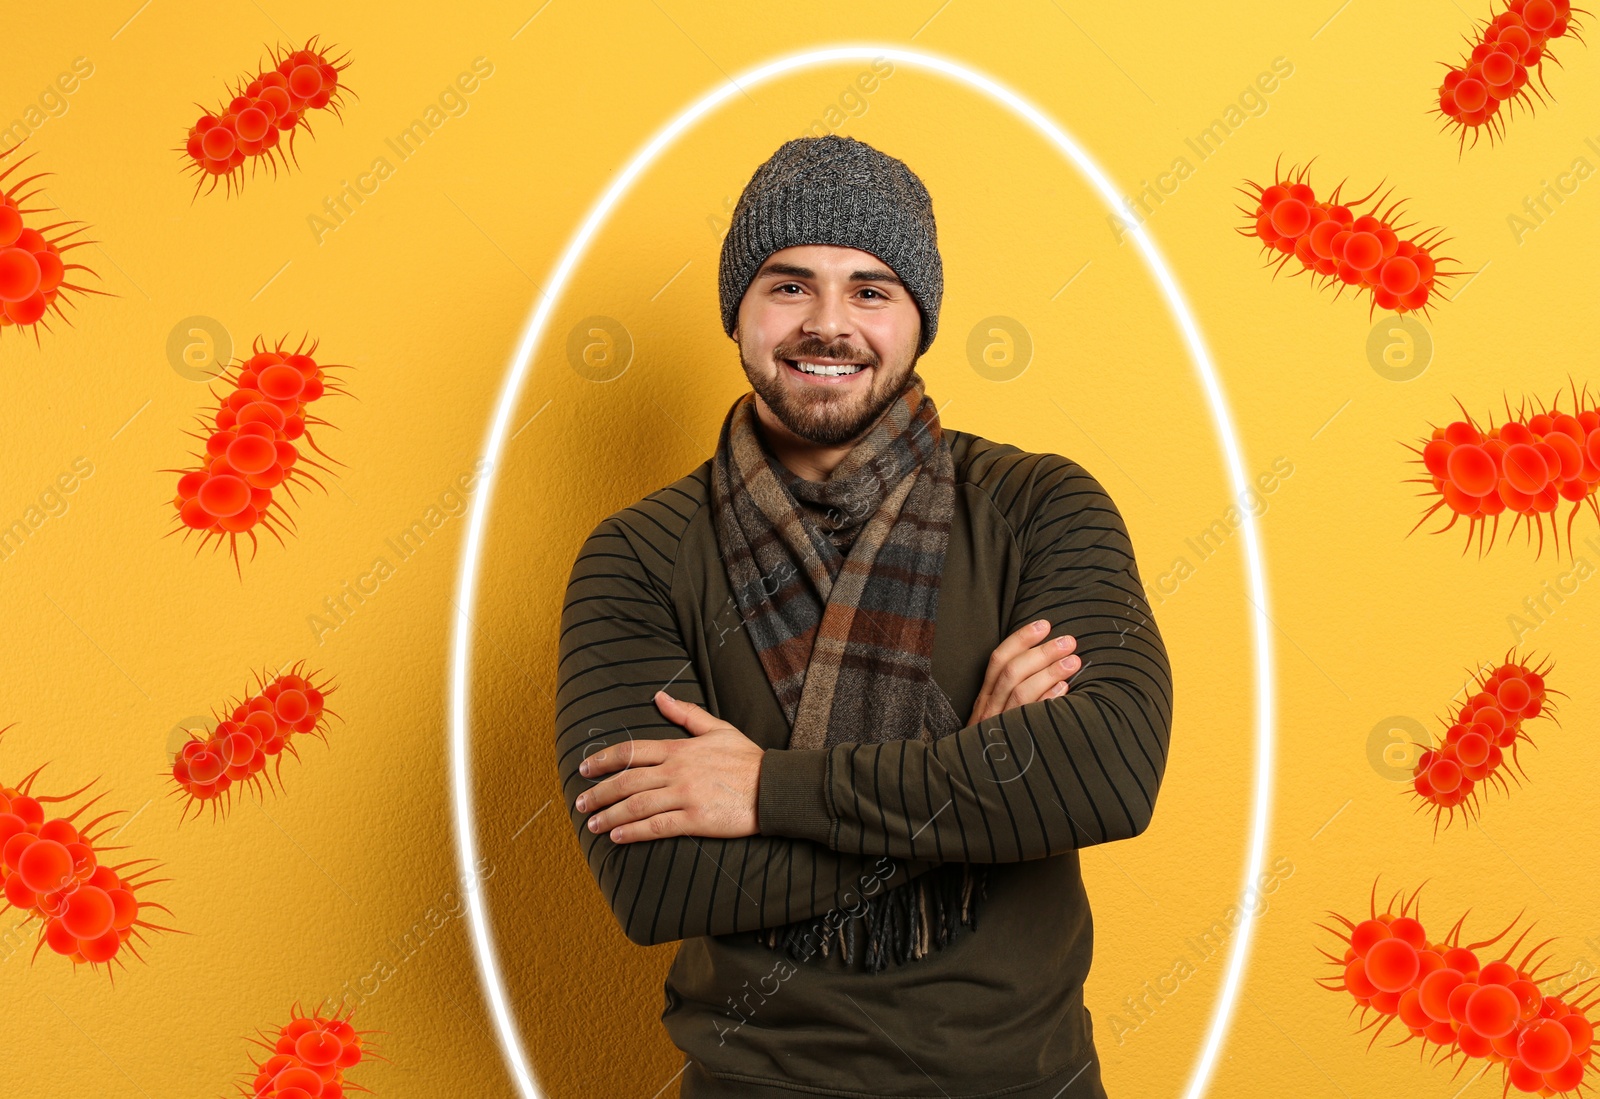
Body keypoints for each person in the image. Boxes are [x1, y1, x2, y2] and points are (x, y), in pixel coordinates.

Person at [556, 133, 1173, 1099]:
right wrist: (977, 783)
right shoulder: (637, 555)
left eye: (871, 290)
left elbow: (1108, 775)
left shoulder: (1040, 505)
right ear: (739, 312)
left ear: (918, 319)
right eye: (789, 285)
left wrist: (765, 791)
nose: (828, 324)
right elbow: (654, 885)